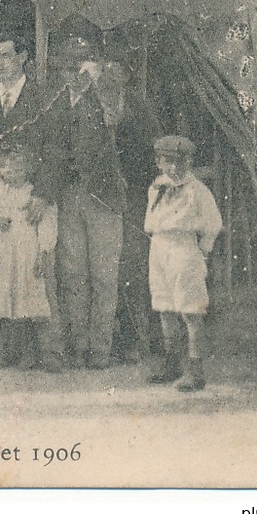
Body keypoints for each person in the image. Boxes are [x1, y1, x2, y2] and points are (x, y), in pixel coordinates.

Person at [0, 31, 68, 371]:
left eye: (7, 56)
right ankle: (5, 348)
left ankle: (49, 350)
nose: (0, 63)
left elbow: (56, 148)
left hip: (32, 197)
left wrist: (43, 194)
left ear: (23, 57)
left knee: (39, 272)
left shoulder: (42, 96)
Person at [53, 34, 125, 370]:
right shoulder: (56, 102)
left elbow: (116, 117)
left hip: (104, 196)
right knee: (73, 273)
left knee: (104, 276)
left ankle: (101, 349)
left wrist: (99, 82)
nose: (73, 75)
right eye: (67, 67)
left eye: (80, 67)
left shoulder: (106, 97)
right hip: (70, 195)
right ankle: (79, 346)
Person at [145, 135, 222, 392]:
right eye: (169, 162)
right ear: (159, 162)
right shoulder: (156, 188)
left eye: (181, 162)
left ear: (189, 162)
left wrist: (202, 253)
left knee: (190, 309)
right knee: (164, 305)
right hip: (159, 247)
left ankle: (195, 370)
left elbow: (212, 226)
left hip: (184, 248)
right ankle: (172, 364)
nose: (175, 168)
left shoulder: (197, 191)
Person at [99, 59, 164, 362]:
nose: (109, 76)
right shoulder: (97, 103)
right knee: (111, 267)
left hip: (136, 197)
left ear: (127, 73)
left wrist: (132, 179)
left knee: (134, 266)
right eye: (105, 70)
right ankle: (116, 339)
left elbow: (153, 153)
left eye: (115, 69)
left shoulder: (139, 108)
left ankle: (139, 341)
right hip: (107, 198)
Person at [0, 149, 60, 370]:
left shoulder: (34, 194)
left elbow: (47, 224)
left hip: (26, 250)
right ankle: (5, 351)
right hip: (3, 250)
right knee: (5, 298)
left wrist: (43, 253)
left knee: (26, 298)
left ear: (29, 170)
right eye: (9, 168)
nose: (13, 173)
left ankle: (32, 352)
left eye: (20, 168)